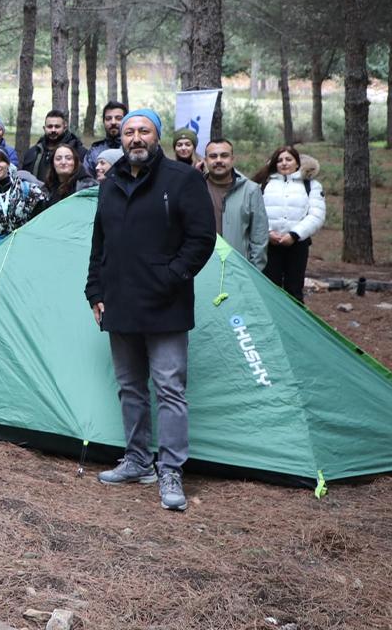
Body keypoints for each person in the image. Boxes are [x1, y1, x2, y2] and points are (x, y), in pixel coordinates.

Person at [85, 108, 215, 512]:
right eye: (129, 132)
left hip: (166, 304)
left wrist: (170, 278)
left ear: (156, 137)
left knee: (170, 389)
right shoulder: (110, 183)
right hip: (119, 302)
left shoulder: (183, 179)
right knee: (130, 387)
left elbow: (201, 238)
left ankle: (170, 469)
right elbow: (99, 243)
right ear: (120, 139)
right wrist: (94, 290)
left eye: (144, 131)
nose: (136, 138)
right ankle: (138, 460)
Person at [254, 145, 325, 303]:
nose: (284, 163)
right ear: (274, 164)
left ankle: (296, 325)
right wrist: (268, 233)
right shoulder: (263, 185)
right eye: (279, 160)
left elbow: (317, 215)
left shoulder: (311, 185)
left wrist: (294, 235)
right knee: (270, 289)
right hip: (269, 245)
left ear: (297, 163)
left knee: (294, 290)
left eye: (288, 159)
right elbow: (255, 213)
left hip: (297, 245)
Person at [204, 139, 268, 270]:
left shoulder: (251, 190)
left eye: (224, 155)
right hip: (202, 268)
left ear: (232, 159)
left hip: (239, 269)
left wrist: (254, 271)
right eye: (213, 156)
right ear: (206, 160)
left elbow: (259, 236)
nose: (218, 160)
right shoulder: (196, 188)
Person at [21, 109, 86, 185]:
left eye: (57, 126)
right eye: (50, 126)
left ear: (64, 128)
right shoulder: (33, 153)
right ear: (44, 128)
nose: (53, 130)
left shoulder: (78, 152)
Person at [84, 101, 127, 175]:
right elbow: (86, 180)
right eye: (108, 118)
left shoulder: (133, 149)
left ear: (126, 121)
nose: (113, 122)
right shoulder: (94, 152)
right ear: (103, 122)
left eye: (118, 118)